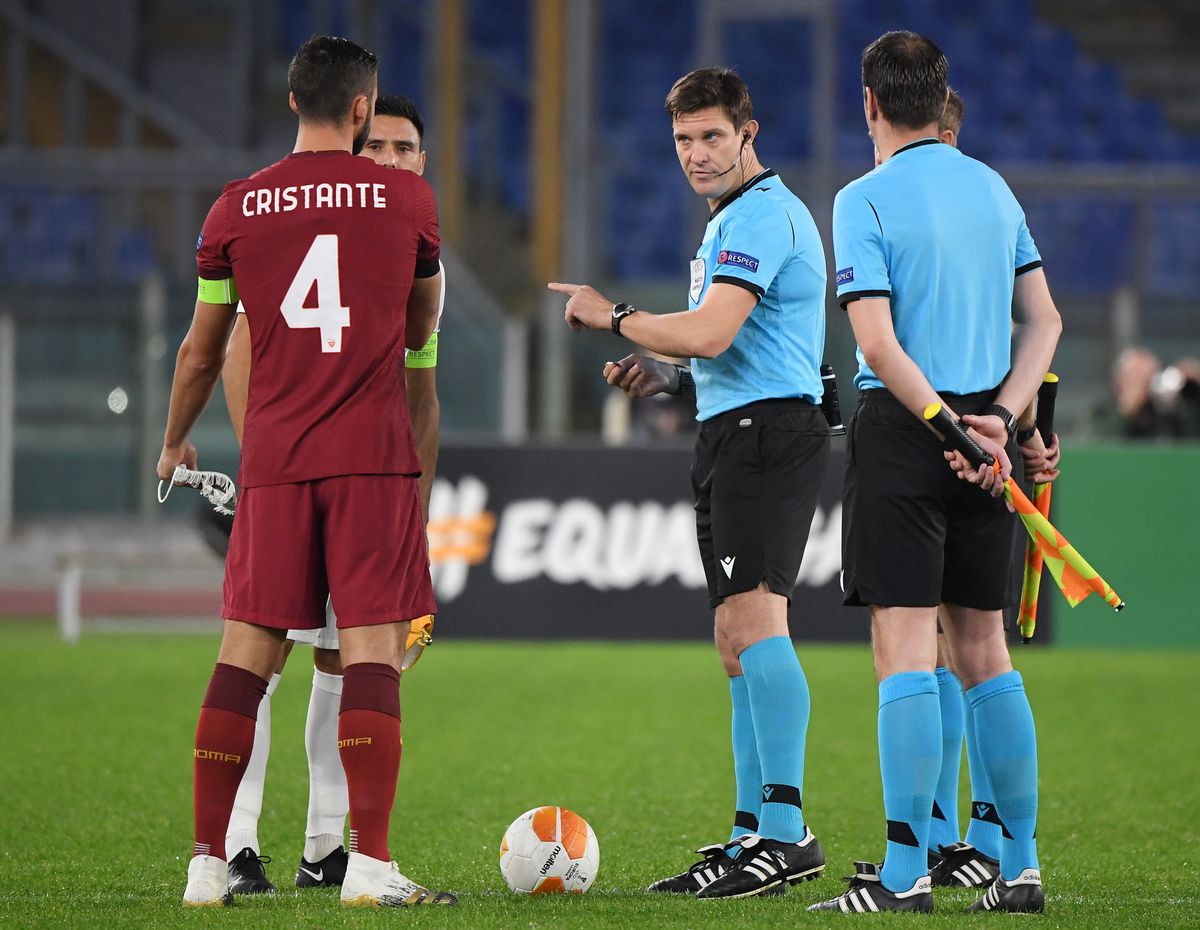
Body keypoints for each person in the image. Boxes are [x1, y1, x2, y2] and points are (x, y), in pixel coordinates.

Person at [159, 36, 454, 908]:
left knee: (244, 657)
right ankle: (367, 864)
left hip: (277, 463)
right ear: (363, 110)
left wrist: (176, 441)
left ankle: (208, 863)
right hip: (368, 459)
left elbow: (202, 351)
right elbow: (419, 325)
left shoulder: (237, 207)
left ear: (293, 101)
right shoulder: (406, 198)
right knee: (367, 652)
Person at [548, 67, 830, 899]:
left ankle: (787, 833)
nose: (697, 154)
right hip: (733, 428)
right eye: (683, 140)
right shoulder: (731, 220)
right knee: (734, 641)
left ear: (750, 133)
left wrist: (616, 315)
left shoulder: (763, 216)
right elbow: (729, 351)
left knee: (757, 624)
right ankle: (751, 835)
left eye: (712, 136)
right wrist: (667, 378)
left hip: (769, 437)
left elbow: (712, 331)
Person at [809, 32, 1061, 914]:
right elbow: (1046, 322)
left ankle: (907, 873)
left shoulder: (861, 198)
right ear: (939, 97)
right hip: (988, 434)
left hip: (906, 430)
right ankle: (1020, 868)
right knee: (986, 650)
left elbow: (875, 340)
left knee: (906, 651)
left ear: (869, 105)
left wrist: (947, 425)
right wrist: (999, 421)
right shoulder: (992, 187)